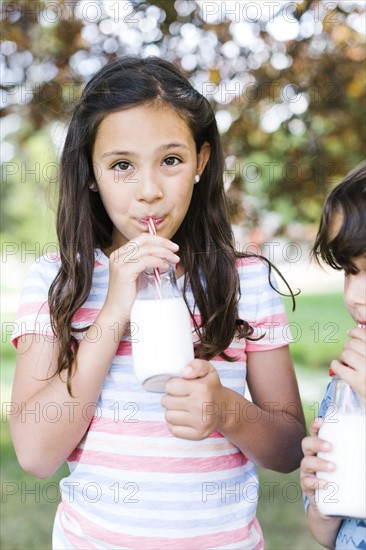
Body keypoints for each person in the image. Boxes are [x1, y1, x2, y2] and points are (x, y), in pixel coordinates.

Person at [10, 56, 305, 549]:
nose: (149, 191)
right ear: (90, 172)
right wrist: (113, 311)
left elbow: (289, 448)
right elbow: (37, 455)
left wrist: (226, 411)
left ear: (201, 162)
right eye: (122, 165)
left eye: (171, 160)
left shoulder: (244, 282)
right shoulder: (58, 282)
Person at [300, 161, 366, 549]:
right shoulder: (346, 387)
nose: (355, 296)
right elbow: (330, 535)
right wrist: (323, 504)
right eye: (350, 270)